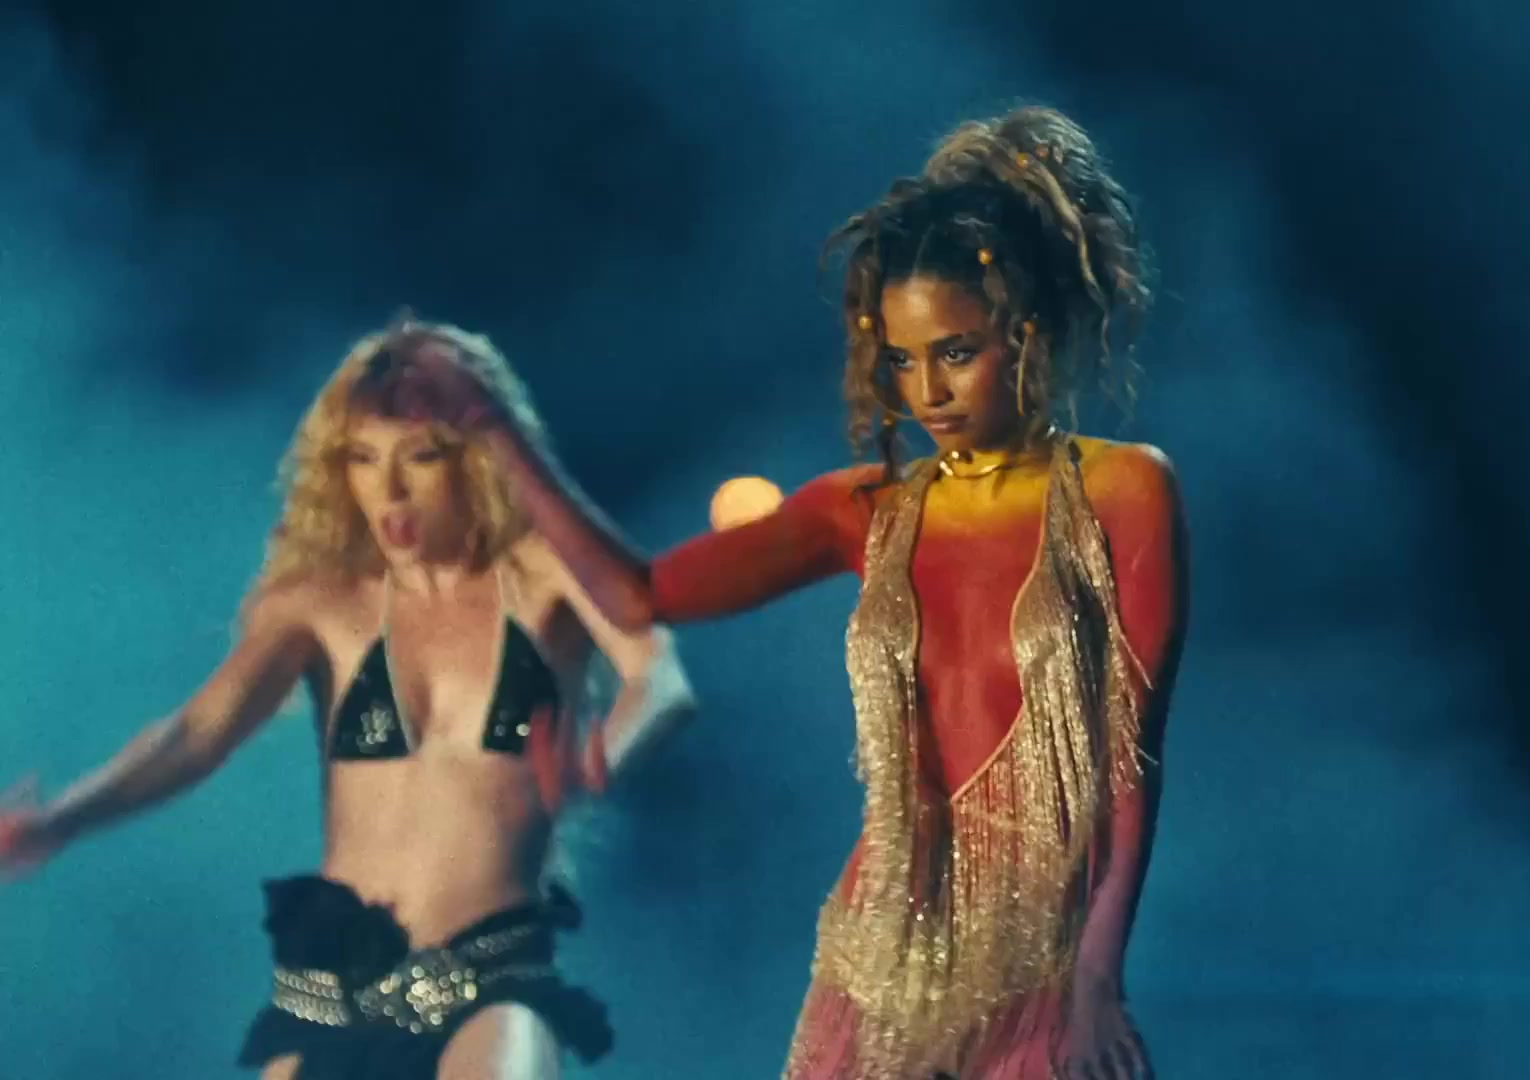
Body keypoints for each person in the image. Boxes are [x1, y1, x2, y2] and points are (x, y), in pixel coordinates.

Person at [446, 105, 1186, 1080]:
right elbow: (639, 594)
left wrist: (1096, 976)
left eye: (957, 351)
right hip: (875, 964)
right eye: (904, 360)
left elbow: (1129, 763)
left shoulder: (1125, 491)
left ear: (1027, 332)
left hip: (1044, 968)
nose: (928, 391)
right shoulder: (862, 510)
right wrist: (499, 436)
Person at [0, 320, 694, 1079]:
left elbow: (660, 679)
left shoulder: (545, 576)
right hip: (333, 988)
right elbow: (196, 734)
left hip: (491, 972)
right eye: (363, 459)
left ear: (475, 458)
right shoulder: (319, 604)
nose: (388, 491)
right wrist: (63, 817)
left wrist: (604, 755)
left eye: (419, 458)